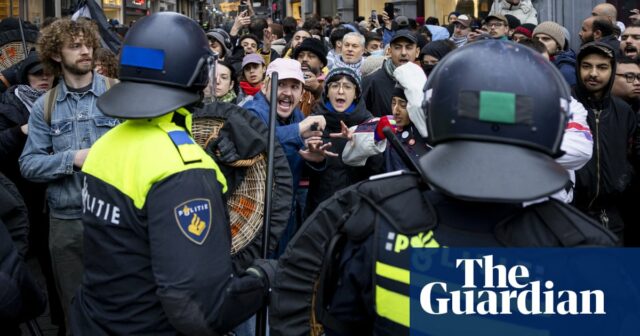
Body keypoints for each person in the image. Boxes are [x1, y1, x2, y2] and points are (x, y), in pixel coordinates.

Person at [292, 40, 618, 336]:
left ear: (436, 116)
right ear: (551, 126)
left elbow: (338, 322)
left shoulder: (380, 223)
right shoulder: (586, 249)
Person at [70, 13, 275, 335]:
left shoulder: (107, 144)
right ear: (192, 74)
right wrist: (263, 279)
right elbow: (197, 311)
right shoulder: (183, 169)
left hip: (95, 321)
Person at [19, 18, 120, 326]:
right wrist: (72, 158)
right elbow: (29, 164)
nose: (85, 51)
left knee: (120, 303)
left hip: (115, 216)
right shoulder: (45, 106)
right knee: (75, 307)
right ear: (55, 54)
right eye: (75, 46)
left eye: (88, 44)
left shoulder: (117, 94)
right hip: (66, 223)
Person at [573, 42, 638, 243]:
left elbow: (629, 155)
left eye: (602, 67)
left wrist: (624, 177)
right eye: (586, 66)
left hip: (611, 216)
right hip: (571, 215)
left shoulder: (623, 111)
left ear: (612, 70)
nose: (593, 73)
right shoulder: (566, 103)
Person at [304, 67, 383, 216]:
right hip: (320, 209)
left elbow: (376, 171)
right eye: (335, 86)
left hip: (357, 208)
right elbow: (302, 173)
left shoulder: (367, 124)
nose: (340, 91)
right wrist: (315, 159)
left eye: (347, 87)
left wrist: (361, 146)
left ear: (356, 94)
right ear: (327, 92)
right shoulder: (313, 122)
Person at [362, 29, 419, 117]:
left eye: (408, 47)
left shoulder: (424, 82)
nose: (403, 53)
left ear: (417, 52)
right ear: (389, 51)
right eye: (397, 47)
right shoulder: (372, 82)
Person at [533, 21, 577, 86]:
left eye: (545, 39)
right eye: (536, 39)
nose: (539, 42)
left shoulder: (566, 71)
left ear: (558, 45)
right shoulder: (534, 61)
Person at [292, 37, 328, 116]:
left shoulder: (329, 84)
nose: (304, 59)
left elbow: (330, 113)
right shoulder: (289, 82)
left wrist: (318, 90)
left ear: (321, 63)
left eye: (311, 56)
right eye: (300, 56)